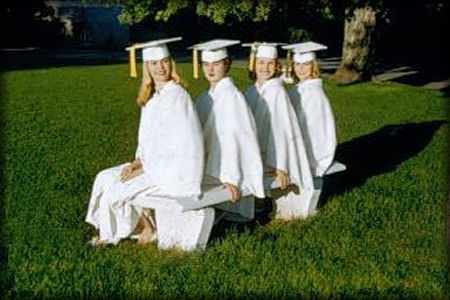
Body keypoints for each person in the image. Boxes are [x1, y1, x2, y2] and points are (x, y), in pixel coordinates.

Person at [85, 37, 204, 245]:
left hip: (175, 171)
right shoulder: (152, 97)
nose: (160, 68)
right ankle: (141, 227)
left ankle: (140, 230)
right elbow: (149, 141)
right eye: (154, 63)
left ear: (171, 63)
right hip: (153, 164)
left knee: (117, 190)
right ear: (146, 67)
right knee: (104, 177)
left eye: (164, 61)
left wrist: (144, 168)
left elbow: (181, 146)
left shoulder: (177, 96)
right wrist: (138, 162)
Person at [243, 42, 314, 219]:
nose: (265, 68)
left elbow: (282, 132)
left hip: (273, 156)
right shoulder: (250, 92)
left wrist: (280, 166)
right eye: (261, 62)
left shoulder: (277, 92)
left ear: (277, 66)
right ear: (254, 64)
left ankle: (259, 205)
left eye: (270, 63)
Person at [190, 39, 265, 208]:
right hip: (208, 164)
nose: (210, 69)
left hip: (223, 168)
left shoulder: (231, 97)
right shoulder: (205, 97)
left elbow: (235, 140)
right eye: (206, 64)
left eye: (216, 64)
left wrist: (231, 177)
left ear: (227, 64)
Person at [282, 42, 337, 178]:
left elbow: (313, 130)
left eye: (306, 65)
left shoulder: (314, 93)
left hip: (309, 149)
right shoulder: (298, 88)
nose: (301, 69)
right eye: (297, 65)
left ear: (313, 66)